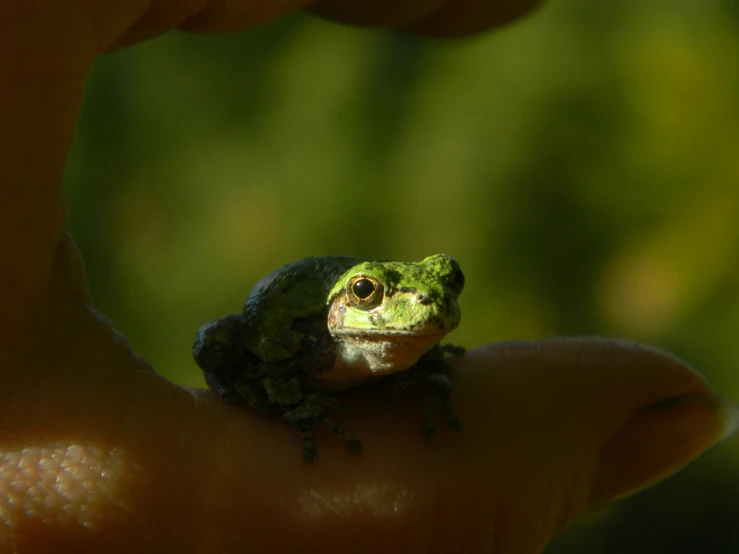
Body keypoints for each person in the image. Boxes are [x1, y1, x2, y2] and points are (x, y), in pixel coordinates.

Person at [0, 1, 730, 552]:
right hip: (274, 331)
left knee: (426, 365)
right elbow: (244, 346)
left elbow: (423, 315)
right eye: (375, 295)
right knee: (218, 343)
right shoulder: (318, 338)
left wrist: (426, 364)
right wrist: (300, 410)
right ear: (352, 305)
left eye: (444, 287)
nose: (424, 302)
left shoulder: (415, 325)